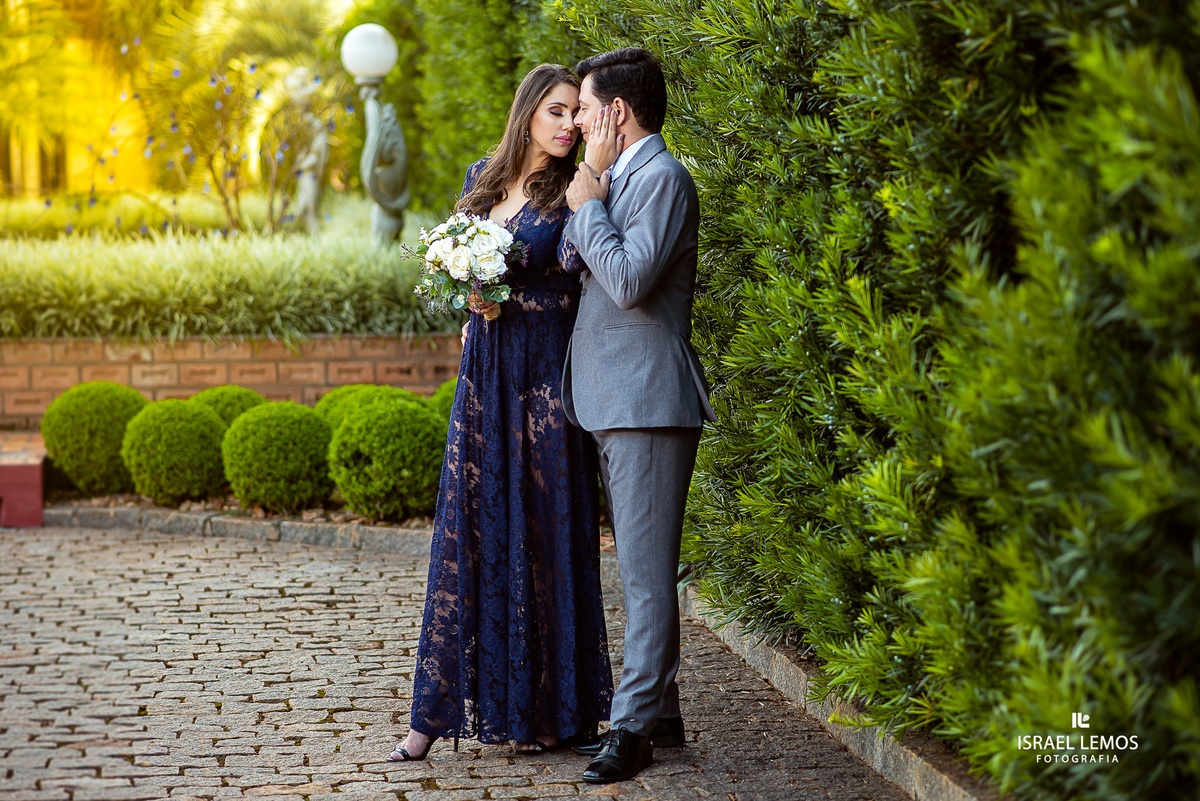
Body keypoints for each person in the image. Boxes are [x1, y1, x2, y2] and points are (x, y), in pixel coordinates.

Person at [389, 64, 622, 761]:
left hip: (546, 379)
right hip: (485, 379)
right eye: (556, 111)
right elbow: (458, 274)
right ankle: (427, 719)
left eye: (574, 115)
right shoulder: (479, 179)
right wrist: (473, 298)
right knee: (470, 530)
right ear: (526, 113)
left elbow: (589, 273)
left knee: (549, 536)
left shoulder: (575, 188)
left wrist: (597, 180)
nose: (566, 125)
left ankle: (553, 711)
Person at [562, 47, 716, 784]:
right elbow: (572, 257)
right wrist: (586, 195)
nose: (580, 122)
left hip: (648, 400)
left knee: (649, 579)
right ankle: (664, 706)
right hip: (612, 398)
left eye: (588, 109)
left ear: (617, 112)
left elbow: (625, 280)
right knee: (640, 570)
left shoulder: (663, 178)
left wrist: (588, 206)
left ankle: (631, 731)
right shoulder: (614, 176)